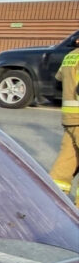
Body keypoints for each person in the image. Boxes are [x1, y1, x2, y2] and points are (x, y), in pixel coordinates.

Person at [49, 45, 79, 203]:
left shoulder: (71, 56)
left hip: (70, 118)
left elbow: (59, 79)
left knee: (65, 165)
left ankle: (52, 203)